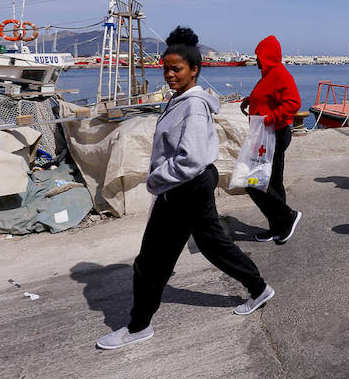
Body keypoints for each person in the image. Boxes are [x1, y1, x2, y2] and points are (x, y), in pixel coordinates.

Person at [97, 27, 273, 351]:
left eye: (176, 68)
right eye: (166, 68)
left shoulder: (191, 106)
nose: (169, 74)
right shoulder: (181, 100)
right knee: (210, 245)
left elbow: (189, 159)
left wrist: (155, 180)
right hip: (189, 185)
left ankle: (138, 326)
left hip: (185, 187)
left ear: (194, 70)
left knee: (151, 260)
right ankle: (258, 286)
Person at [240, 35, 303, 244]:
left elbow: (293, 102)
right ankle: (278, 227)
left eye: (258, 56)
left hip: (274, 133)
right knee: (273, 181)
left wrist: (270, 119)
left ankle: (288, 217)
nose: (256, 60)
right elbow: (269, 97)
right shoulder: (268, 74)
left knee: (254, 181)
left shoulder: (279, 74)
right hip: (267, 133)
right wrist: (251, 100)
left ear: (267, 56)